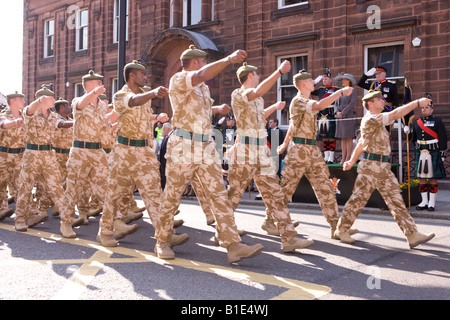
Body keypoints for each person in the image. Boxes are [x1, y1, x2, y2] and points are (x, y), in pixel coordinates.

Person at [156, 45, 264, 263]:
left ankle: (233, 245)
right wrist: (228, 59)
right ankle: (162, 240)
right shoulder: (180, 78)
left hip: (205, 146)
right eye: (203, 61)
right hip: (183, 146)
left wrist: (216, 110)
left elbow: (199, 109)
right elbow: (200, 75)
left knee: (219, 195)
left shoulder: (203, 88)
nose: (205, 65)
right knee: (173, 195)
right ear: (195, 62)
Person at [227, 61, 314, 252]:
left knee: (275, 193)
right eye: (257, 74)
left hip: (261, 151)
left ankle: (289, 238)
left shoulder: (256, 100)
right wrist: (278, 72)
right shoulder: (239, 93)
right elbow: (256, 92)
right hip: (246, 150)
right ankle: (222, 230)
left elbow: (258, 117)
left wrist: (274, 107)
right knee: (234, 194)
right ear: (250, 76)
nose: (258, 77)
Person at [334, 90, 435, 249]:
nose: (383, 101)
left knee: (396, 201)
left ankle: (412, 234)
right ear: (370, 104)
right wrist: (416, 103)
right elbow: (395, 115)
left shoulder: (375, 121)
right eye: (379, 99)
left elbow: (361, 143)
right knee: (358, 200)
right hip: (370, 168)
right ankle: (342, 229)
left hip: (383, 168)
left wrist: (352, 160)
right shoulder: (371, 119)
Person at [96, 60, 172, 247]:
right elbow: (132, 102)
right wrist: (153, 92)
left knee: (154, 194)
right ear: (132, 75)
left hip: (144, 152)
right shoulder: (121, 95)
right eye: (142, 74)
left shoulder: (142, 97)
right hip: (125, 151)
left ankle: (164, 238)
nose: (145, 77)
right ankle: (105, 232)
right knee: (114, 195)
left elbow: (142, 115)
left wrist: (156, 117)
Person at [277, 70, 357, 239]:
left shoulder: (306, 101)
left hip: (312, 150)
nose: (315, 81)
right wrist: (340, 92)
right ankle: (271, 220)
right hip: (298, 150)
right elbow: (320, 106)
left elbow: (292, 125)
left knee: (326, 188)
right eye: (311, 80)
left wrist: (284, 144)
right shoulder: (298, 101)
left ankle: (336, 227)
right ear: (304, 84)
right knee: (286, 190)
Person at [13, 87, 74, 233]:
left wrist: (77, 122)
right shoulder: (32, 113)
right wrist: (39, 100)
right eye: (51, 98)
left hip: (48, 154)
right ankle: (20, 220)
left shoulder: (53, 116)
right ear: (43, 99)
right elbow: (28, 110)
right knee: (25, 188)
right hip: (32, 154)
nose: (54, 100)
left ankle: (66, 223)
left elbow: (62, 124)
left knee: (56, 188)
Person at [62, 70, 111, 238]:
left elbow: (105, 122)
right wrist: (94, 93)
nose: (101, 85)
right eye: (98, 83)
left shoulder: (103, 105)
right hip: (80, 151)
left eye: (101, 83)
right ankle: (66, 223)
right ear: (88, 85)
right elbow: (81, 105)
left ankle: (110, 226)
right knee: (73, 188)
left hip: (98, 151)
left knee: (105, 188)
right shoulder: (78, 100)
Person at [410, 94, 447, 211]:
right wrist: (408, 131)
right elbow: (414, 139)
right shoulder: (417, 122)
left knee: (432, 178)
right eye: (422, 108)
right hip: (421, 152)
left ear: (431, 109)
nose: (423, 109)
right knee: (421, 177)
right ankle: (423, 201)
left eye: (426, 108)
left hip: (433, 151)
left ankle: (432, 202)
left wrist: (442, 154)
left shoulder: (437, 121)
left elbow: (443, 138)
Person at [0, 91, 27, 221]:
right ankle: (2, 209)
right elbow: (4, 124)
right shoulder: (3, 115)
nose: (23, 102)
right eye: (21, 100)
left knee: (21, 184)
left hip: (20, 156)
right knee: (1, 184)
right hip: (4, 156)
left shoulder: (26, 117)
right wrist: (15, 122)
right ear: (13, 102)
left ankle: (27, 213)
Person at [312, 68, 339, 164]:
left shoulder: (335, 89)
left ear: (331, 80)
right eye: (323, 79)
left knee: (331, 137)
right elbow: (309, 90)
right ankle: (326, 156)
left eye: (326, 79)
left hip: (330, 115)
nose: (324, 81)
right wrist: (315, 81)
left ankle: (331, 157)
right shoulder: (320, 90)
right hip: (322, 116)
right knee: (324, 137)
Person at [334, 73, 358, 164]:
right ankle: (343, 157)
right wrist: (337, 112)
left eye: (344, 79)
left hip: (348, 115)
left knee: (348, 137)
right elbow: (335, 103)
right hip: (339, 117)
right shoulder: (340, 90)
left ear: (349, 81)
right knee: (343, 137)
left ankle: (348, 158)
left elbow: (352, 103)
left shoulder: (353, 90)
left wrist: (343, 113)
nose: (342, 81)